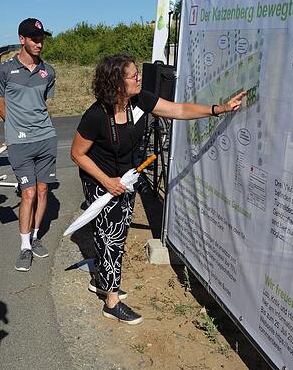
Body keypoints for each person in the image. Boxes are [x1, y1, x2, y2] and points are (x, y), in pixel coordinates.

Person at [71, 54, 246, 324]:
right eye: (132, 75)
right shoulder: (95, 116)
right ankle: (112, 301)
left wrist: (218, 109)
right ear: (117, 83)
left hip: (127, 178)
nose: (139, 78)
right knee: (112, 238)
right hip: (100, 180)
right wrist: (106, 181)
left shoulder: (140, 101)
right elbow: (77, 154)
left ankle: (103, 280)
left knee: (113, 232)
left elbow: (178, 110)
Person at [0, 18, 57, 272]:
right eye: (34, 39)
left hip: (46, 138)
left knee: (43, 192)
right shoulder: (4, 70)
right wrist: (16, 127)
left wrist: (36, 126)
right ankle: (24, 247)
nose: (39, 44)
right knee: (27, 193)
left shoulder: (48, 71)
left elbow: (42, 105)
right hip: (20, 142)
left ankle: (35, 236)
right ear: (22, 40)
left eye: (41, 39)